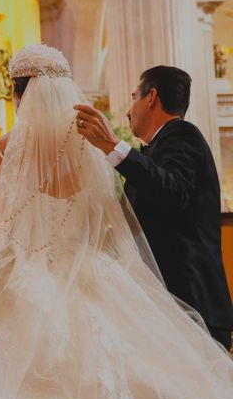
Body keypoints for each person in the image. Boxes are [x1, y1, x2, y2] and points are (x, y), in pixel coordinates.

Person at [0, 45, 233, 399]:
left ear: (17, 95)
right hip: (91, 270)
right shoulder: (89, 149)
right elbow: (106, 218)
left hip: (19, 273)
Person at [74, 65, 233, 350]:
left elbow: (173, 192)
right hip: (167, 305)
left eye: (134, 96)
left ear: (151, 97)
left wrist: (113, 145)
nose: (127, 109)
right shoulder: (155, 150)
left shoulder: (183, 135)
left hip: (193, 303)